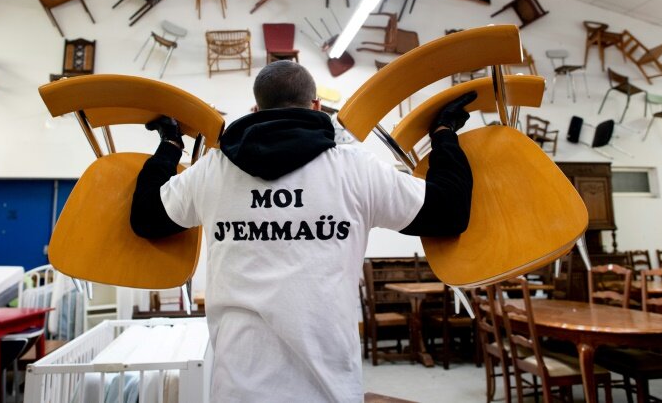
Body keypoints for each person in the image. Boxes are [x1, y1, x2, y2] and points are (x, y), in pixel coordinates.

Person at [130, 60, 475, 402]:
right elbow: (449, 211)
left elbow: (146, 217)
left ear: (255, 109)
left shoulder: (211, 172)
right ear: (317, 107)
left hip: (238, 390)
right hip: (330, 391)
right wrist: (443, 134)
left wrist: (170, 144)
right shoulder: (355, 169)